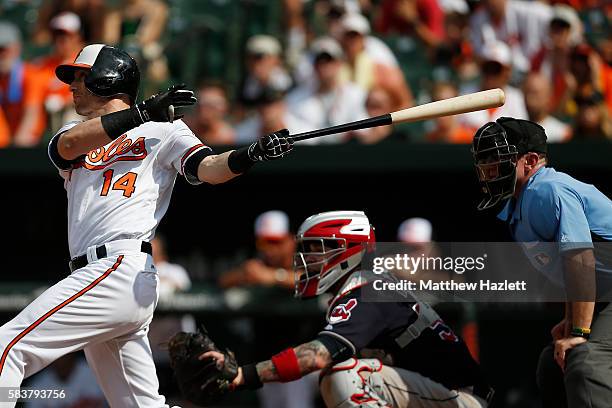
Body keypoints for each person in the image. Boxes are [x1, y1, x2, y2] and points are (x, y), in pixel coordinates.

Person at [0, 43, 294, 407]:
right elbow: (66, 146)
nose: (71, 86)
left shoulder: (165, 129)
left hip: (119, 267)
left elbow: (208, 169)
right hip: (99, 276)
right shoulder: (76, 131)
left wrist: (248, 154)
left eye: (81, 77)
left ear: (108, 79)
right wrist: (140, 113)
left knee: (7, 348)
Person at [199, 211, 492, 407]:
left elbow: (316, 356)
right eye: (307, 250)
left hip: (461, 400)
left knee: (344, 374)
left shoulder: (370, 289)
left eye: (318, 249)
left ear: (350, 250)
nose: (308, 259)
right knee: (338, 373)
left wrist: (244, 375)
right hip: (438, 394)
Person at [471, 117, 612, 408]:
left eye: (497, 160)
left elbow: (580, 257)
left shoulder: (546, 190)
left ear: (530, 160)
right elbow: (570, 270)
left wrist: (579, 332)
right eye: (484, 161)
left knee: (584, 361)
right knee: (553, 364)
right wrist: (572, 320)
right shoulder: (521, 202)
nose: (488, 169)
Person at [287, 37, 368, 144]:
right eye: (319, 61)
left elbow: (365, 131)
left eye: (329, 61)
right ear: (313, 65)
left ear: (339, 63)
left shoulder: (356, 94)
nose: (324, 66)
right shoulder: (295, 99)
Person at [338, 13, 413, 111]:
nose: (352, 41)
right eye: (348, 36)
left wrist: (388, 124)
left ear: (364, 38)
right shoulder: (336, 68)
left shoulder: (380, 68)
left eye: (356, 36)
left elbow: (405, 101)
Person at [469, 0, 552, 74]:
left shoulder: (525, 11)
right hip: (495, 71)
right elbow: (478, 53)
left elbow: (551, 16)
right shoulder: (477, 19)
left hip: (527, 70)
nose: (490, 2)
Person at [35, 12, 85, 132]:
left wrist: (63, 101)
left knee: (71, 115)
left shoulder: (84, 61)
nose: (60, 41)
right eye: (57, 36)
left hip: (76, 114)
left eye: (65, 36)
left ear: (77, 37)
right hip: (46, 116)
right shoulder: (43, 64)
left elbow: (88, 92)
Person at [459, 41, 527, 130]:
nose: (490, 74)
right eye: (487, 68)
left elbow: (521, 133)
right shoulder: (466, 95)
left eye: (496, 69)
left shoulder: (516, 98)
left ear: (507, 71)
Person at [220, 210, 296, 290]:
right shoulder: (261, 261)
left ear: (292, 239)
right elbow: (223, 281)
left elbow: (306, 279)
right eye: (263, 242)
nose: (269, 248)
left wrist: (275, 276)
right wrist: (243, 274)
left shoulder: (305, 258)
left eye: (275, 241)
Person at [0, 21, 47, 147]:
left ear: (16, 48)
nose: (1, 55)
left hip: (30, 145)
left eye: (4, 49)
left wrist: (15, 151)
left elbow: (31, 116)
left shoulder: (30, 75)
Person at [522, 72, 572, 143]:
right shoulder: (514, 130)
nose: (529, 98)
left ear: (548, 97)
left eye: (535, 93)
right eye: (527, 92)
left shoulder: (561, 133)